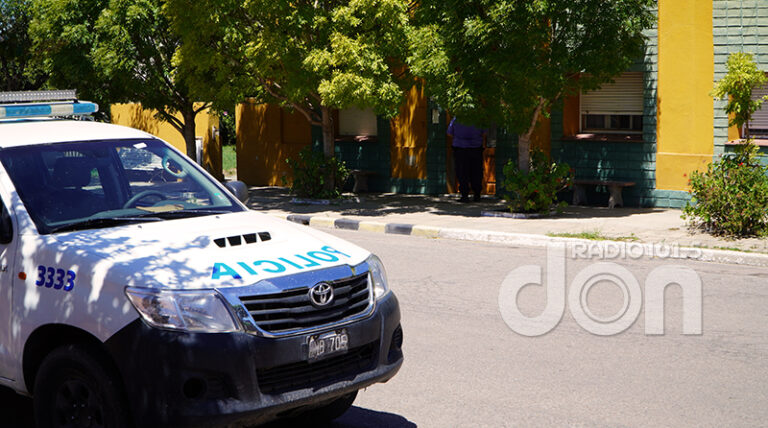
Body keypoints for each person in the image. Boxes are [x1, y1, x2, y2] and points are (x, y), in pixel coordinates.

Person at [447, 117, 487, 202]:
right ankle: (477, 194)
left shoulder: (456, 119)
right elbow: (484, 133)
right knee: (476, 172)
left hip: (460, 148)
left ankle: (464, 195)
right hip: (476, 148)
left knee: (462, 172)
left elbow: (450, 133)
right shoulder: (479, 119)